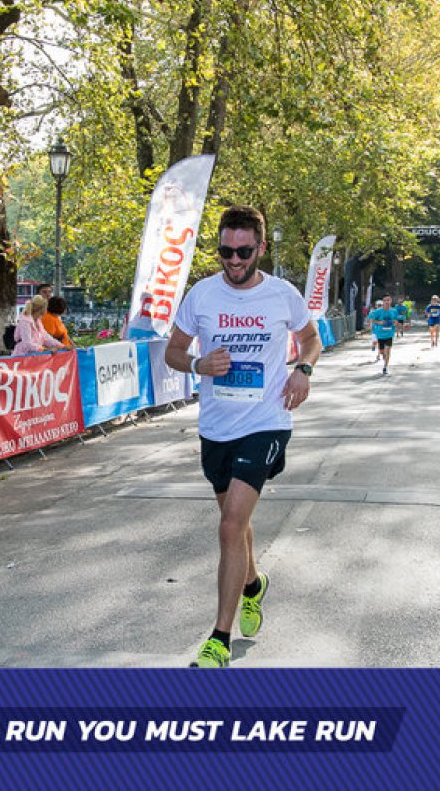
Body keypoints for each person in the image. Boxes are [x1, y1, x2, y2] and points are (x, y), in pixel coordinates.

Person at [165, 205, 320, 668]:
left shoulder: (282, 294)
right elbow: (173, 351)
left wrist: (303, 370)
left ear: (261, 248)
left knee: (231, 525)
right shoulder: (201, 295)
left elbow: (311, 338)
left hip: (267, 422)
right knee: (236, 522)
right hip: (216, 427)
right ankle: (253, 584)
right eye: (226, 251)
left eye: (244, 252)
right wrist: (198, 363)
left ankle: (219, 639)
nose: (234, 260)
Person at [369, 296, 398, 375]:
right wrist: (379, 322)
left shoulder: (394, 311)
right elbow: (371, 319)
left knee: (388, 350)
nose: (386, 302)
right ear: (383, 302)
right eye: (385, 300)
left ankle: (385, 367)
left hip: (389, 334)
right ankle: (383, 356)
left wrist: (395, 323)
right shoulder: (378, 311)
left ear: (391, 301)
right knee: (382, 352)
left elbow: (396, 320)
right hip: (380, 334)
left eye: (388, 300)